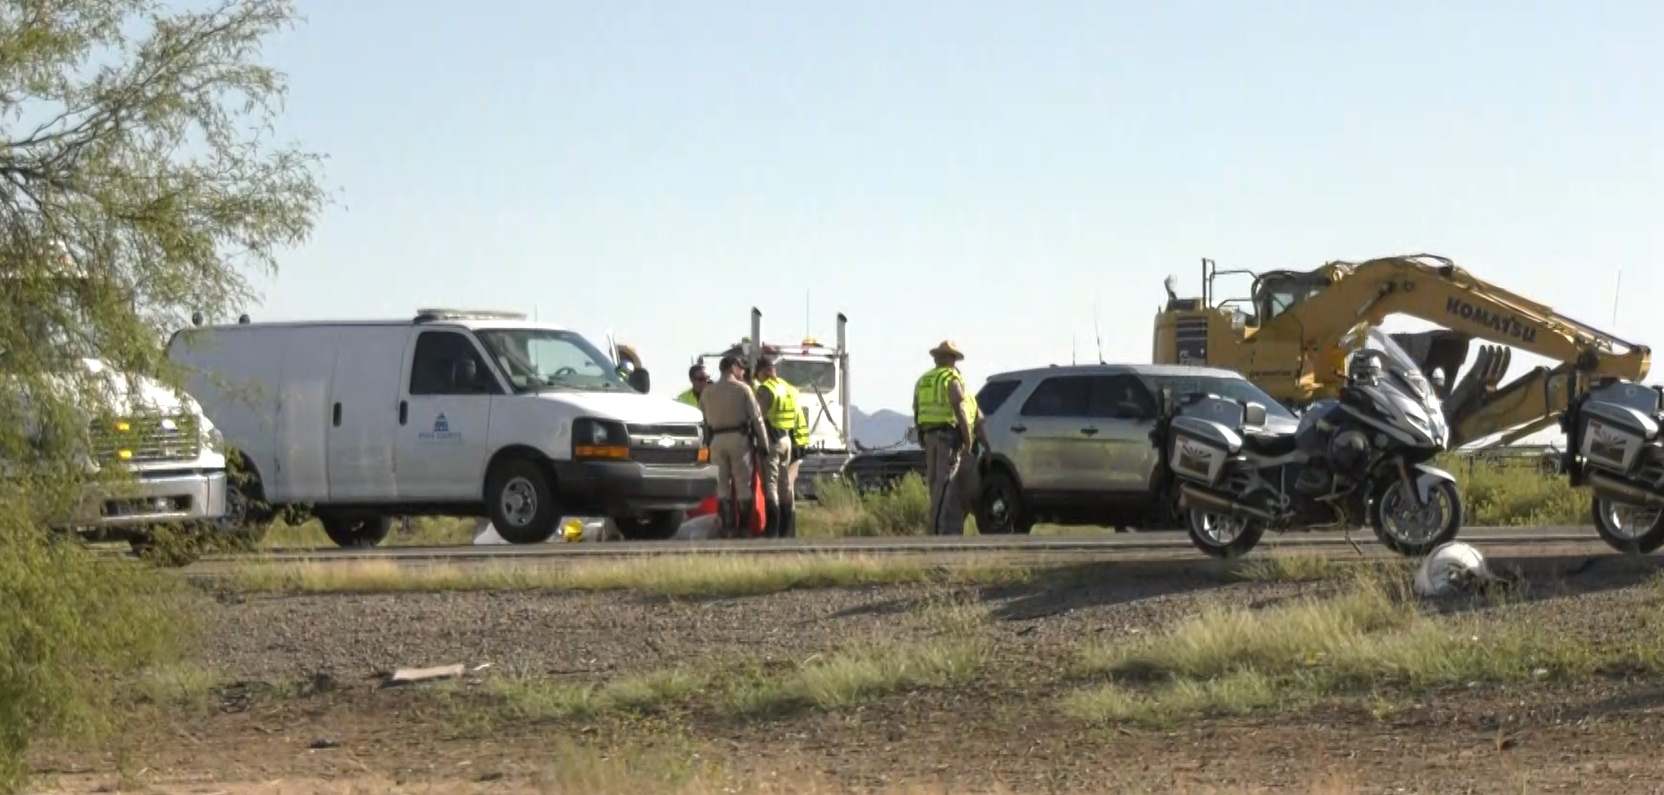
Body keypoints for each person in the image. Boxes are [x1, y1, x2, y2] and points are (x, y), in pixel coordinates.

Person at [699, 355, 769, 536]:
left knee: (722, 486)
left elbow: (704, 422)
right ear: (733, 367)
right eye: (741, 368)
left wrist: (706, 445)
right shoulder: (743, 389)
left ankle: (728, 528)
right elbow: (757, 419)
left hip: (716, 441)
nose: (743, 372)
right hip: (739, 439)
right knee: (743, 485)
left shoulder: (707, 392)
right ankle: (744, 529)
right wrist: (764, 443)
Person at [913, 340, 973, 535]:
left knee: (933, 483)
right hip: (947, 436)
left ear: (937, 358)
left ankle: (936, 527)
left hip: (928, 435)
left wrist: (921, 433)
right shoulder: (951, 378)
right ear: (952, 359)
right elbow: (959, 409)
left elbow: (917, 410)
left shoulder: (923, 380)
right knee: (945, 483)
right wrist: (968, 439)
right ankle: (937, 530)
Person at [753, 356, 807, 538]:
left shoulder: (765, 389)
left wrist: (759, 442)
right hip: (787, 441)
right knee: (785, 486)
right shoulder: (788, 388)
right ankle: (786, 529)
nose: (758, 378)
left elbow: (758, 418)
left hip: (772, 441)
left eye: (758, 374)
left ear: (764, 371)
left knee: (770, 486)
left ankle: (772, 529)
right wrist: (801, 441)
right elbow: (799, 417)